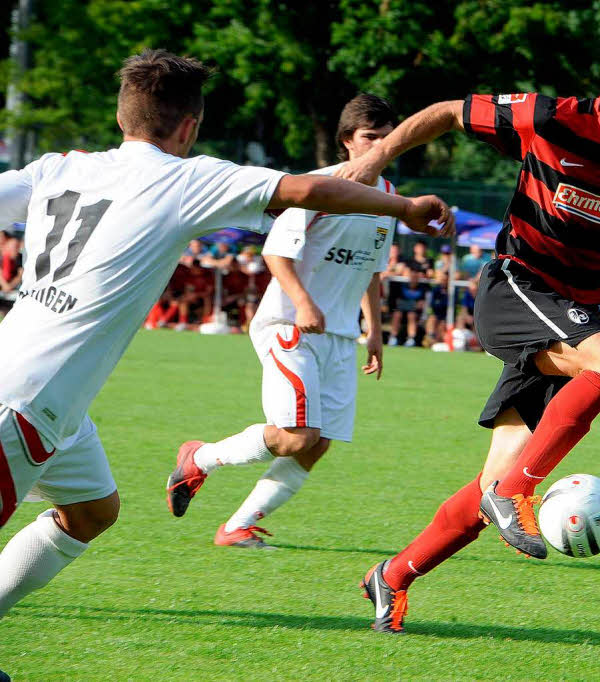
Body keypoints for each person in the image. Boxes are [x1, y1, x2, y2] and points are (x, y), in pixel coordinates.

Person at [0, 49, 451, 620]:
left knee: (92, 511)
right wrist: (404, 205)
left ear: (122, 117)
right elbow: (307, 191)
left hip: (52, 402)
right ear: (191, 125)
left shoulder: (56, 167)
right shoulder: (187, 178)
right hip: (25, 403)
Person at [340, 26, 600, 633]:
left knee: (489, 483)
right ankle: (518, 493)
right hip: (518, 286)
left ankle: (393, 576)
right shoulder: (549, 118)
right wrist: (373, 160)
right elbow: (445, 113)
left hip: (565, 321)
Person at [166, 93, 412, 547]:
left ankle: (237, 526)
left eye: (387, 139)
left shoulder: (390, 197)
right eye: (370, 138)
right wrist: (303, 303)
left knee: (317, 445)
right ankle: (200, 458)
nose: (380, 146)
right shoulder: (316, 187)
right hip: (290, 326)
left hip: (339, 336)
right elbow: (276, 254)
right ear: (347, 142)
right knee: (298, 436)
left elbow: (370, 268)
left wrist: (374, 330)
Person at [388, 264, 430, 347]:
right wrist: (412, 304)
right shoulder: (401, 285)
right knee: (397, 314)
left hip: (416, 313)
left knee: (411, 315)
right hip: (401, 310)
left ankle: (411, 339)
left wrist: (410, 305)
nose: (414, 276)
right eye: (412, 273)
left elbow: (421, 305)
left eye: (416, 274)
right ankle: (393, 337)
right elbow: (398, 302)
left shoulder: (423, 287)